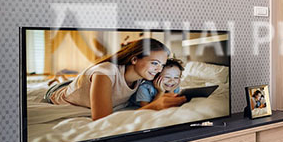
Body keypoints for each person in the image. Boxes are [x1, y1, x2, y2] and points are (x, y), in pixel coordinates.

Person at [46, 38, 186, 120]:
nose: (159, 70)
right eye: (155, 63)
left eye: (162, 65)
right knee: (67, 84)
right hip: (59, 93)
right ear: (134, 59)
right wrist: (154, 107)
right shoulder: (106, 72)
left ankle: (62, 78)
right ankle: (59, 78)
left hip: (86, 86)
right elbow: (101, 119)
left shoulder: (146, 76)